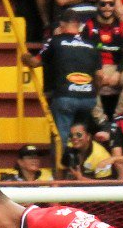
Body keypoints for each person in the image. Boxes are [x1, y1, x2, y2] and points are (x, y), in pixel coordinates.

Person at [23, 9, 101, 145]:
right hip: (88, 98)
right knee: (82, 134)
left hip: (65, 96)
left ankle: (61, 164)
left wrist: (24, 56)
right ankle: (81, 163)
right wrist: (95, 92)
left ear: (62, 24)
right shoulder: (91, 44)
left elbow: (35, 62)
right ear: (79, 25)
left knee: (61, 136)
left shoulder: (55, 41)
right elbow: (100, 75)